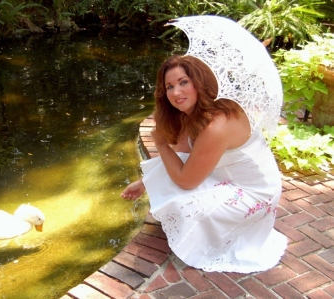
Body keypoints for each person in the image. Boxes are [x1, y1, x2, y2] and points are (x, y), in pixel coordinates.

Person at [121, 55, 287, 273]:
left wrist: (160, 143)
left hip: (256, 194)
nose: (176, 93)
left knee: (184, 206)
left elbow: (186, 181)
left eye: (183, 82)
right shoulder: (198, 112)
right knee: (176, 175)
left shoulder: (217, 125)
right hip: (230, 179)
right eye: (169, 86)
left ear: (200, 82)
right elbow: (181, 154)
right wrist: (146, 182)